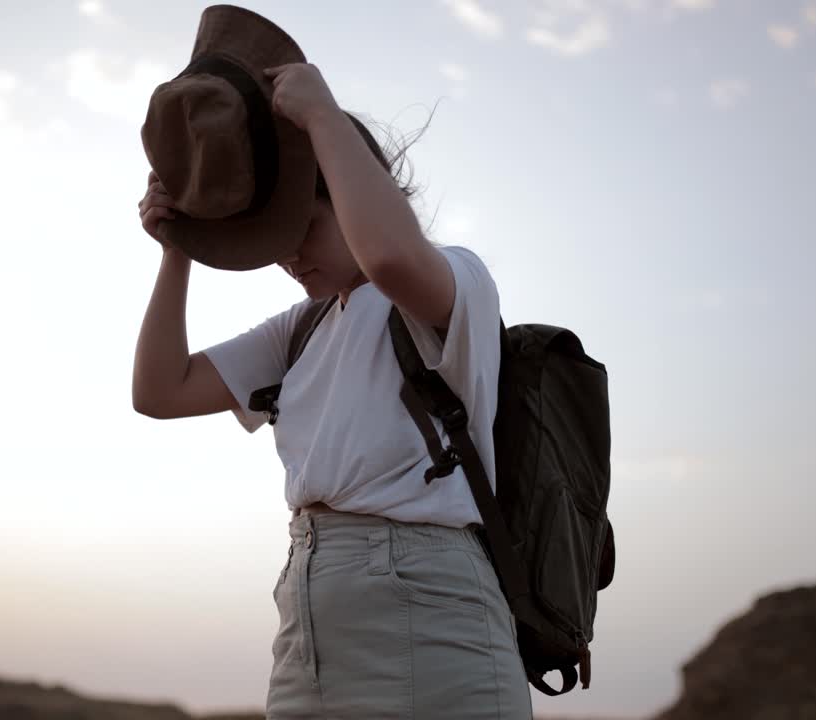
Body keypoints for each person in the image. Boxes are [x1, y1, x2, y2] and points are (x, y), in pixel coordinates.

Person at [132, 7, 531, 719]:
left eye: (302, 225)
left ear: (350, 185)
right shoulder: (302, 329)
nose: (286, 254)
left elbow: (385, 255)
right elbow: (159, 391)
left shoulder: (446, 279)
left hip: (431, 611)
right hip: (310, 620)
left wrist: (322, 118)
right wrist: (177, 253)